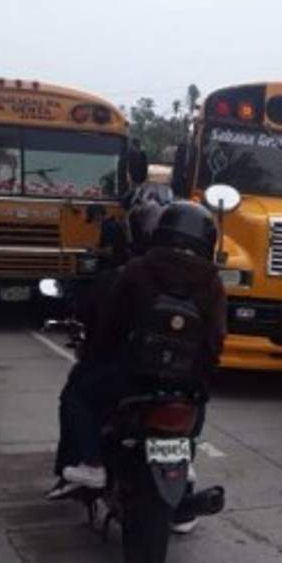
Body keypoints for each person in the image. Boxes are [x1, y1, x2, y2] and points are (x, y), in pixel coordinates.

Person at [49, 202, 227, 532]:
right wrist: (201, 376)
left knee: (76, 393)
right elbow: (215, 338)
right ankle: (184, 462)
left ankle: (92, 463)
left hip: (131, 377)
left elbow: (110, 324)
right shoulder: (212, 282)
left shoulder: (138, 269)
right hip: (183, 381)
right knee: (196, 401)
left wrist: (96, 356)